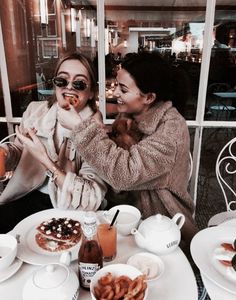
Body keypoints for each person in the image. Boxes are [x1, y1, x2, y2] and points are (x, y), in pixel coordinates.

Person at [59, 52, 199, 248]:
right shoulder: (131, 116)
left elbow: (125, 173)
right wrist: (101, 130)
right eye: (116, 85)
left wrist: (81, 130)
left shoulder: (172, 130)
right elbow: (117, 153)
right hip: (125, 218)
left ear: (149, 97)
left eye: (123, 89)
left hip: (160, 228)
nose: (115, 93)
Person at [0, 52, 107, 233]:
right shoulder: (35, 111)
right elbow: (19, 149)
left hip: (65, 205)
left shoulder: (96, 132)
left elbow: (91, 197)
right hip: (25, 193)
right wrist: (5, 153)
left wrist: (46, 161)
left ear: (90, 93)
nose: (69, 88)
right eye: (62, 81)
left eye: (79, 83)